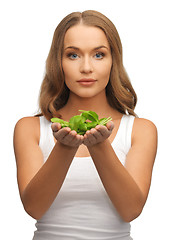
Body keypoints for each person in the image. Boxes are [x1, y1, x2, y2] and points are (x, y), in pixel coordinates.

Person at [13, 10, 157, 240]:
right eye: (73, 55)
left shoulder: (141, 130)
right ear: (57, 62)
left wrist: (99, 146)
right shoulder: (29, 129)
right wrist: (65, 148)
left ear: (114, 61)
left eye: (99, 55)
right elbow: (34, 208)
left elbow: (131, 210)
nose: (87, 68)